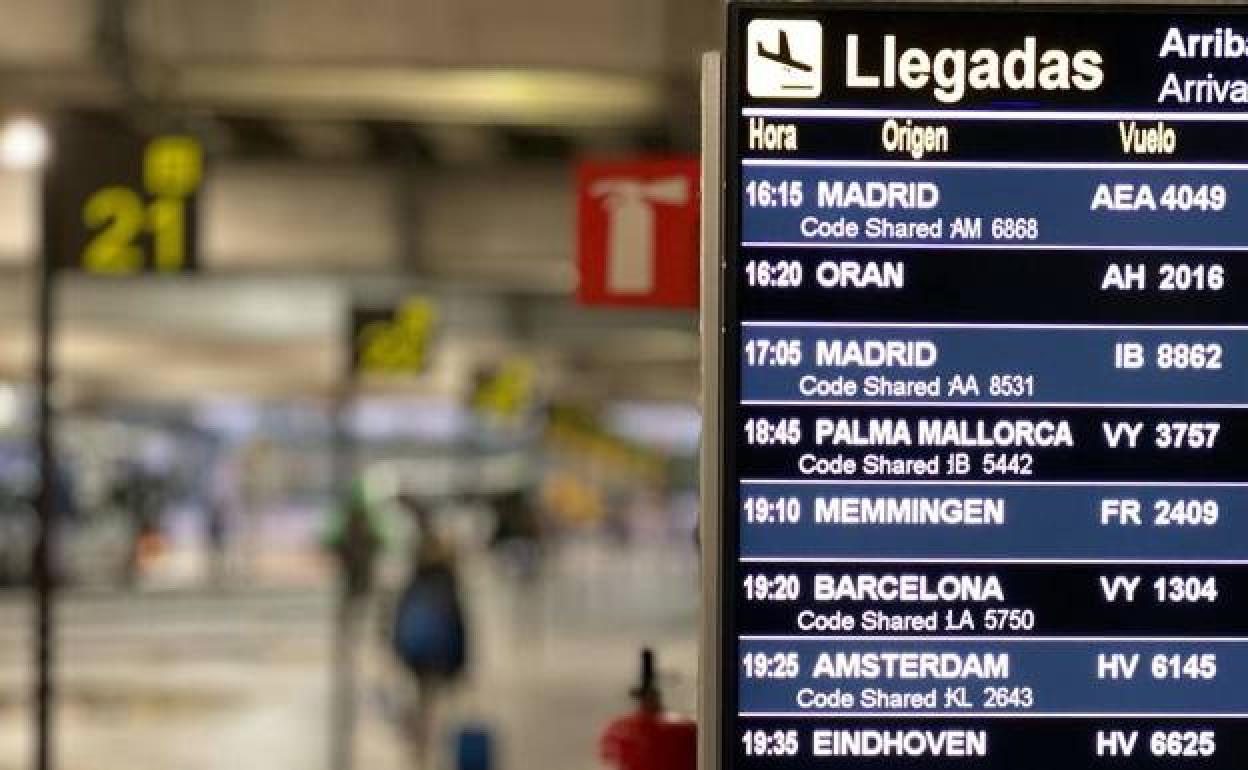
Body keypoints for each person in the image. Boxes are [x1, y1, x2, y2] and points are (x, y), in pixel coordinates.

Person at [390, 495, 467, 768]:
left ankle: (422, 742)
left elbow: (402, 616)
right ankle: (424, 741)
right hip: (436, 649)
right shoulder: (445, 580)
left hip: (421, 647)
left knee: (424, 694)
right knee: (428, 696)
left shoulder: (419, 580)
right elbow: (460, 622)